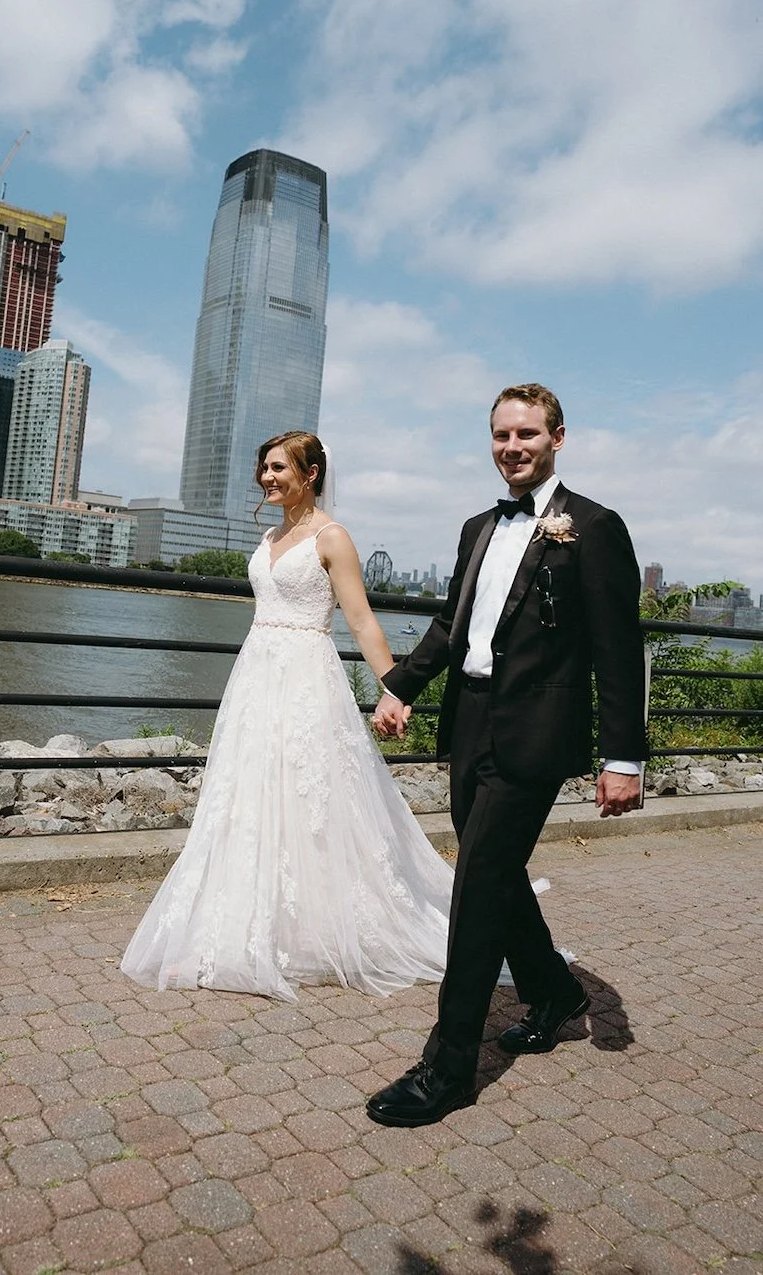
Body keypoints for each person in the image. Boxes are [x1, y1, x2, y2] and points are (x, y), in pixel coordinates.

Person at [366, 383, 648, 1128]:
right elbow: (450, 626)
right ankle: (554, 991)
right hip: (471, 720)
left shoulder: (594, 527)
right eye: (500, 436)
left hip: (536, 734)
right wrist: (401, 688)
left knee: (477, 887)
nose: (511, 447)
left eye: (526, 434)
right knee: (493, 874)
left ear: (558, 437)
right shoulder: (476, 528)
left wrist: (623, 758)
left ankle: (449, 1067)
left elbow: (620, 654)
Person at [120, 430, 458, 1001]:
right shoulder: (271, 533)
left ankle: (317, 927)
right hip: (256, 674)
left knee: (312, 796)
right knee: (248, 792)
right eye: (265, 468)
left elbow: (362, 620)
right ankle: (242, 926)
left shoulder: (333, 537)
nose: (268, 478)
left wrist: (394, 689)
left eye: (279, 468)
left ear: (312, 473)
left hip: (307, 676)